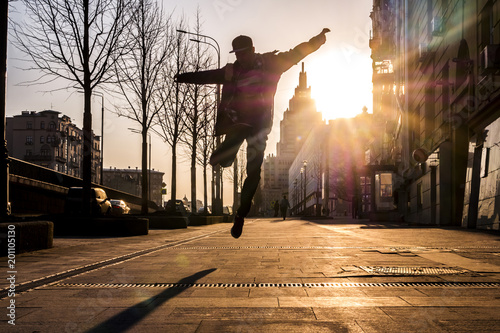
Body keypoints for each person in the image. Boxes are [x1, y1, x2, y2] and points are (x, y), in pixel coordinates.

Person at [175, 28, 330, 238]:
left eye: (244, 54)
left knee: (254, 173)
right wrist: (183, 77)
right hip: (238, 123)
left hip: (259, 127)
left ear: (253, 50)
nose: (241, 59)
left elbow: (297, 52)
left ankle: (240, 215)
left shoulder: (272, 64)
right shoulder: (233, 71)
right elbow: (209, 75)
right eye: (237, 55)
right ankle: (224, 155)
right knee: (230, 149)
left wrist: (318, 40)